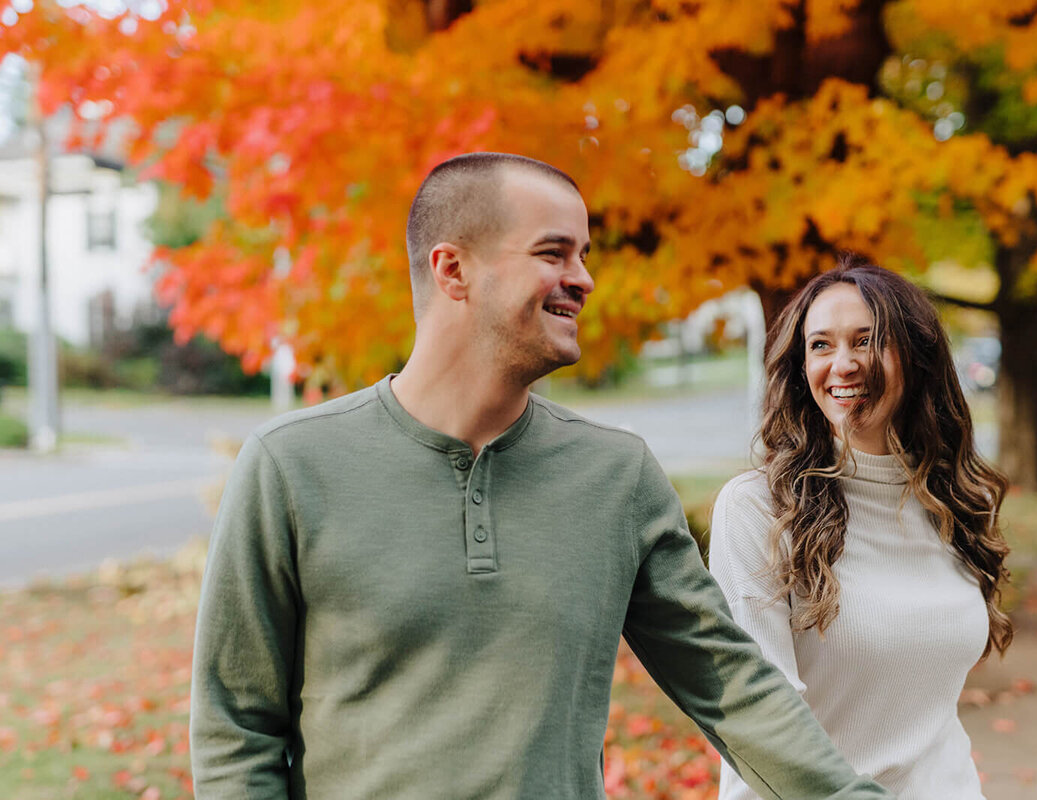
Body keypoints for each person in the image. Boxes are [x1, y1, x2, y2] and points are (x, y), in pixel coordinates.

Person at [189, 153, 893, 800]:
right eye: (553, 253)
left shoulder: (616, 478)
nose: (583, 279)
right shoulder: (291, 465)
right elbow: (236, 731)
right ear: (452, 270)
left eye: (583, 255)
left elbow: (731, 687)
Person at [708, 256, 1012, 799]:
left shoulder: (958, 499)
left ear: (916, 357)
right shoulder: (759, 508)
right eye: (821, 345)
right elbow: (760, 719)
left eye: (867, 340)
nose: (842, 364)